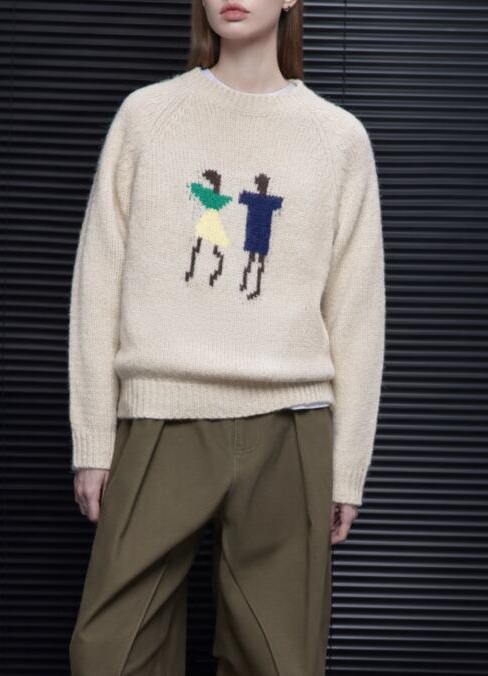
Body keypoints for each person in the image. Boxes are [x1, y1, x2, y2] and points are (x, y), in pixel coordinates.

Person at [67, 0, 386, 674]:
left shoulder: (337, 139)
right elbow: (98, 286)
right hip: (161, 417)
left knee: (281, 660)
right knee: (109, 654)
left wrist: (347, 469)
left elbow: (357, 313)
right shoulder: (148, 117)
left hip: (290, 428)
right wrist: (93, 439)